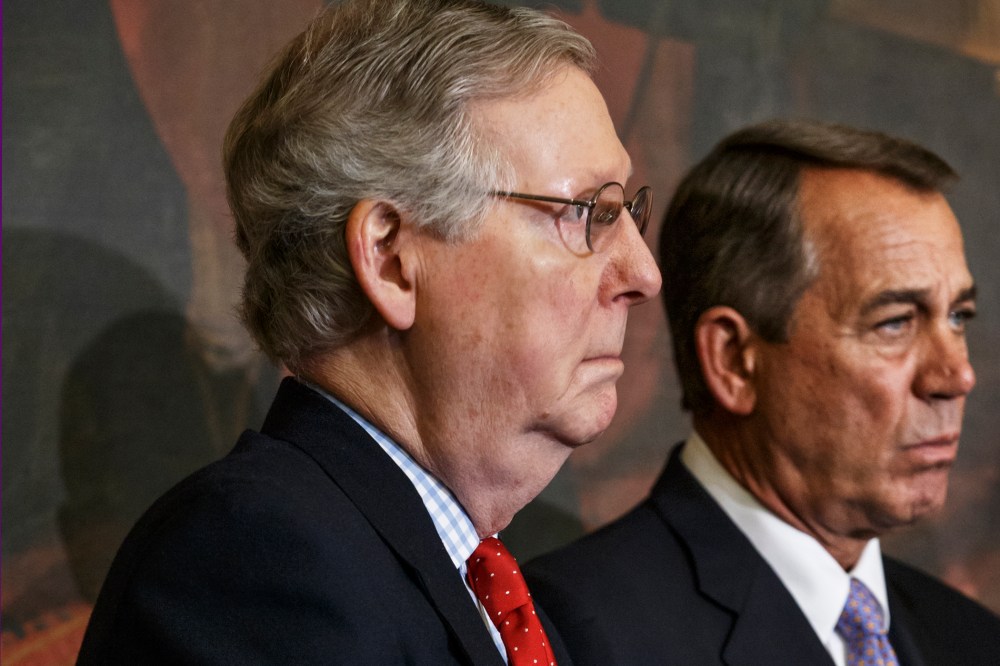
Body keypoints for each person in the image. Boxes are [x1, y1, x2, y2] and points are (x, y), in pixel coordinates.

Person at [75, 0, 661, 663]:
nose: (643, 273)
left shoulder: (466, 579)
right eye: (592, 212)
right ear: (391, 259)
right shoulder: (256, 560)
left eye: (627, 211)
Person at [524, 118, 1000, 664]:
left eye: (959, 317)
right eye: (894, 322)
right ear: (733, 362)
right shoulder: (575, 633)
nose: (956, 376)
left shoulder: (973, 639)